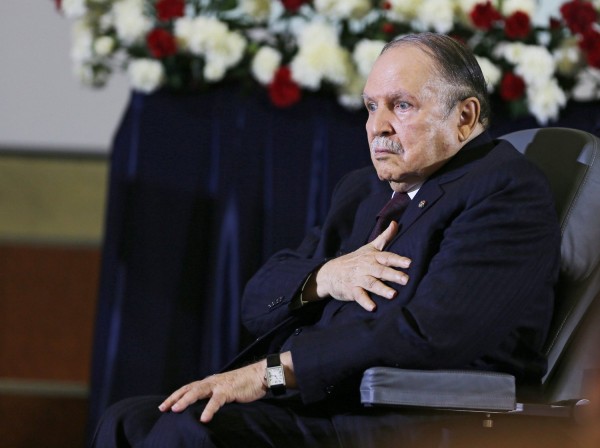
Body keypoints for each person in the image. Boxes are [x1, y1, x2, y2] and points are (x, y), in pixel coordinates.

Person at [92, 32, 560, 447]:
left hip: (404, 418)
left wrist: (270, 375)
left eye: (401, 106)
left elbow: (425, 336)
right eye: (371, 107)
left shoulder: (504, 191)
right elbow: (258, 301)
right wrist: (325, 277)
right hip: (325, 404)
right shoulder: (365, 190)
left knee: (191, 430)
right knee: (128, 421)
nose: (377, 127)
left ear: (465, 116)